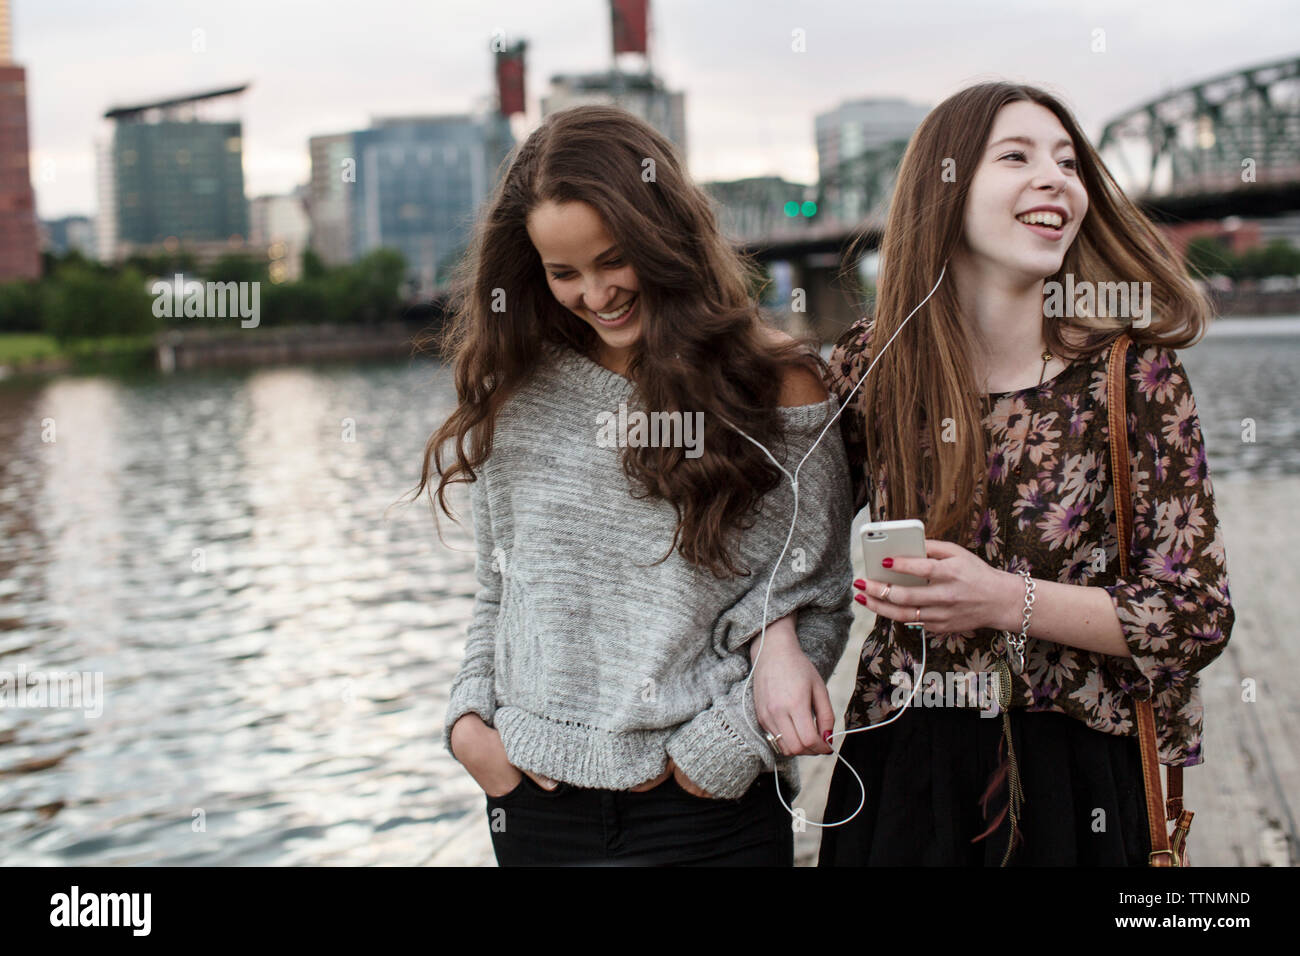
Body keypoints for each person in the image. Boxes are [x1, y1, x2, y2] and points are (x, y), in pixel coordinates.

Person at [753, 81, 1234, 866]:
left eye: (1069, 163)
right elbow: (778, 532)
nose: (1056, 179)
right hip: (903, 757)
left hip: (1078, 772)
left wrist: (1005, 600)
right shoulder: (877, 363)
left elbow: (1195, 616)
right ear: (944, 191)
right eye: (1016, 157)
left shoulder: (1131, 376)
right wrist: (777, 643)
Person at [410, 105, 853, 866]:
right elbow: (498, 586)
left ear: (664, 236)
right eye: (563, 273)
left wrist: (717, 755)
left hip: (703, 813)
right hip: (533, 806)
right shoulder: (516, 387)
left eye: (615, 258)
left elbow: (815, 592)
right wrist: (470, 726)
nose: (597, 292)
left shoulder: (773, 381)